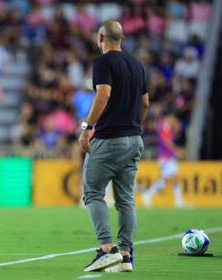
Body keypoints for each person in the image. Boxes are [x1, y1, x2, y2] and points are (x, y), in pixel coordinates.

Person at [78, 20, 149, 273]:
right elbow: (145, 104)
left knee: (93, 193)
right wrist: (134, 128)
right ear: (122, 38)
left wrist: (88, 127)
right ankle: (126, 255)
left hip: (109, 139)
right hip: (134, 139)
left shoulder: (103, 63)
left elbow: (103, 94)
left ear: (101, 38)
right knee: (126, 199)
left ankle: (107, 250)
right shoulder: (137, 65)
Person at [142, 111, 184, 208]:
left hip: (168, 157)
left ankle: (178, 200)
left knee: (174, 178)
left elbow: (171, 137)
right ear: (170, 117)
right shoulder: (164, 127)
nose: (174, 121)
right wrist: (176, 151)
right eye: (173, 119)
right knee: (164, 180)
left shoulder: (168, 127)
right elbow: (167, 142)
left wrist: (176, 128)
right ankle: (148, 194)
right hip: (165, 158)